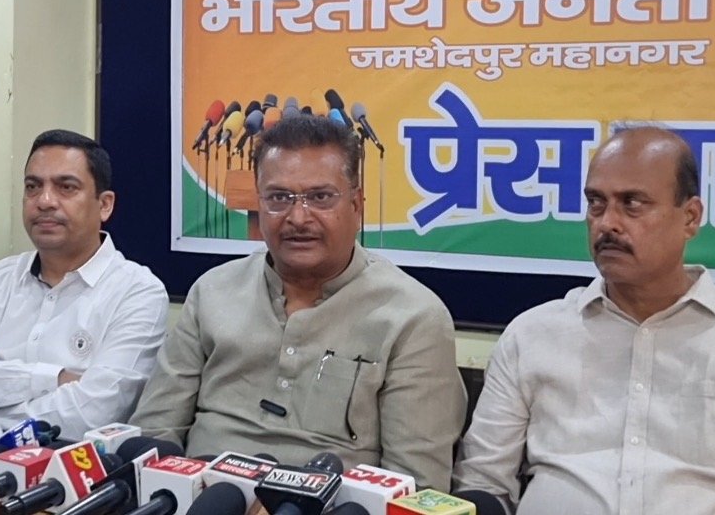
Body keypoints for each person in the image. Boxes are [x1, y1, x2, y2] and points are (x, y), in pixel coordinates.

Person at [130, 116, 465, 490]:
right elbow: (155, 431)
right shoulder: (212, 291)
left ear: (356, 206)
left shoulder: (414, 317)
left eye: (320, 197)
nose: (298, 217)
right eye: (279, 198)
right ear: (259, 204)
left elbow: (417, 487)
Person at [453, 126, 715, 514]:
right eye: (596, 203)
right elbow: (482, 484)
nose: (607, 223)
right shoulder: (532, 335)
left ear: (690, 217)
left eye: (632, 203)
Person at [0, 130, 168, 439]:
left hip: (70, 464)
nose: (45, 201)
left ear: (105, 205)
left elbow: (93, 415)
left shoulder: (138, 292)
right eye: (33, 187)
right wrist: (54, 378)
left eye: (66, 187)